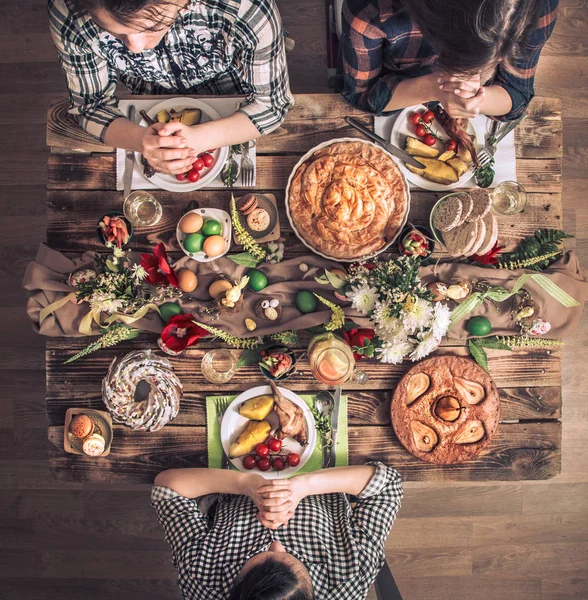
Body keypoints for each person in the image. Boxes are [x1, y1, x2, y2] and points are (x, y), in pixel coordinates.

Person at [48, 0, 293, 174]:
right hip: (147, 93)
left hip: (234, 91)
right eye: (117, 34)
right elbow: (91, 106)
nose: (135, 47)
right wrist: (141, 140)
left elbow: (272, 105)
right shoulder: (69, 13)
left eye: (150, 27)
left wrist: (199, 138)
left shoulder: (246, 7)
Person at [151, 463, 402, 599]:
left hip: (231, 474)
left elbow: (166, 488)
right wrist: (304, 485)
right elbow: (388, 484)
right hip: (329, 472)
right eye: (291, 559)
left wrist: (246, 484)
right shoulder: (351, 577)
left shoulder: (201, 581)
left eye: (256, 558)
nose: (276, 543)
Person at [341, 0, 558, 120]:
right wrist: (434, 87)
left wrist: (480, 100)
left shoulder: (535, 6)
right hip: (395, 87)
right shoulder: (370, 11)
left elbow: (518, 92)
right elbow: (360, 94)